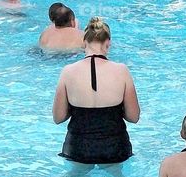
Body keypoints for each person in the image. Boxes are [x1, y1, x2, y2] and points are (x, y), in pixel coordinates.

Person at [52, 17, 140, 164]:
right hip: (115, 147)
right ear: (108, 43)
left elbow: (58, 117)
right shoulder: (121, 71)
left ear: (84, 42)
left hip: (78, 147)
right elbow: (134, 117)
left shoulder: (68, 72)